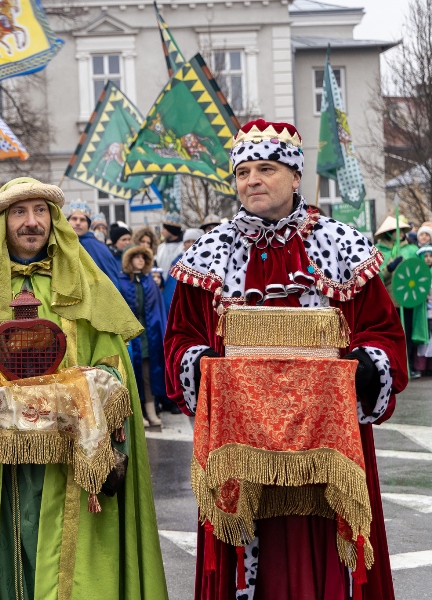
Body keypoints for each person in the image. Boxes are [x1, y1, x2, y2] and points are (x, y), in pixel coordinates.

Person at [164, 119, 406, 600]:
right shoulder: (209, 253)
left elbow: (383, 331)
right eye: (243, 172)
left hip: (329, 443)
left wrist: (363, 370)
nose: (251, 180)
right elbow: (179, 340)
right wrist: (206, 368)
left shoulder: (342, 244)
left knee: (331, 550)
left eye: (266, 168)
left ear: (295, 178)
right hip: (239, 446)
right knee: (244, 547)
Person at [0, 177, 167, 600]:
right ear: (1, 223)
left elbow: (113, 368)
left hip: (68, 463)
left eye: (40, 211)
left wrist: (87, 388)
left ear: (54, 220)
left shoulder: (85, 285)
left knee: (63, 564)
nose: (31, 222)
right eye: (19, 212)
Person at [118, 245, 168, 428]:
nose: (140, 260)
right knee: (133, 377)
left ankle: (151, 411)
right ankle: (138, 415)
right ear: (129, 260)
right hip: (131, 339)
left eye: (143, 257)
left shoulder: (149, 283)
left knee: (148, 376)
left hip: (148, 337)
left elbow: (158, 311)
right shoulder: (121, 282)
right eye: (136, 257)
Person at [375, 215, 423, 378]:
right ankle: (394, 366)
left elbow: (420, 273)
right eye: (396, 231)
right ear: (388, 233)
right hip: (390, 300)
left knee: (407, 333)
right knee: (392, 334)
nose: (401, 233)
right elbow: (378, 278)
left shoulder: (412, 250)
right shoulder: (380, 252)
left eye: (402, 230)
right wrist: (389, 267)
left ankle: (408, 365)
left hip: (408, 299)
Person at [66, 200, 122, 287]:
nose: (78, 223)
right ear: (67, 221)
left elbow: (112, 282)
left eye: (82, 220)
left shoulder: (98, 247)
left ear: (88, 225)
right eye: (74, 218)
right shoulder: (60, 243)